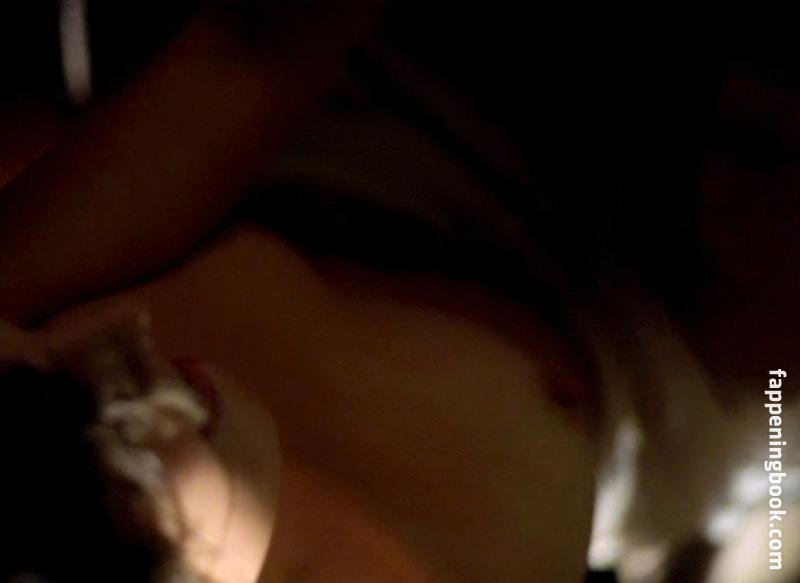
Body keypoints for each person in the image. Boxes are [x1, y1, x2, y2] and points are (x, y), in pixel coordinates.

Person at [0, 1, 600, 581]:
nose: (110, 327)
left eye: (30, 367)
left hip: (424, 123)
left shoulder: (19, 290)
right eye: (109, 431)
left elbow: (253, 50)